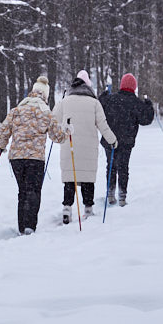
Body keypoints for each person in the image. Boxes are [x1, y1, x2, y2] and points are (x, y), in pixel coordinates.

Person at [0, 76, 67, 235]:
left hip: (16, 159)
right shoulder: (45, 112)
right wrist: (67, 131)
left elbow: (4, 129)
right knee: (33, 191)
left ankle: (22, 226)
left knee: (22, 191)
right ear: (45, 95)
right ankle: (30, 226)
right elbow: (58, 137)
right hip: (35, 159)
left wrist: (2, 146)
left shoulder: (17, 110)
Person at [54, 69, 118, 224]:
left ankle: (67, 208)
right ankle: (88, 209)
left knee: (70, 179)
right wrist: (112, 140)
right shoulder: (94, 103)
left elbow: (53, 120)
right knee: (87, 179)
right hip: (89, 148)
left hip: (69, 146)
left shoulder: (65, 102)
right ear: (88, 87)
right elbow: (103, 125)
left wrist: (59, 133)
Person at [97, 72, 155, 206]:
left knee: (110, 166)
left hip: (110, 140)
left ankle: (110, 193)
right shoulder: (136, 103)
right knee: (123, 167)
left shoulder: (111, 99)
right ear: (134, 87)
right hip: (126, 141)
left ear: (122, 85)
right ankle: (122, 197)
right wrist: (149, 105)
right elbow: (146, 119)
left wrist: (104, 95)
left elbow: (99, 107)